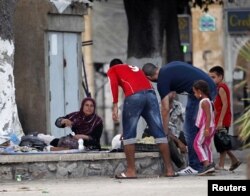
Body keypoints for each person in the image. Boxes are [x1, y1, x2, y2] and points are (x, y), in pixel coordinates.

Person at [142, 61, 217, 175]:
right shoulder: (169, 67)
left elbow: (165, 109)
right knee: (199, 129)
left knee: (189, 130)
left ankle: (194, 166)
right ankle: (207, 163)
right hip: (210, 87)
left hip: (199, 92)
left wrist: (165, 131)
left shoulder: (162, 81)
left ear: (149, 77)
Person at [107, 58, 176, 179]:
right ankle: (169, 169)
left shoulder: (113, 69)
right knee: (159, 133)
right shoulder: (134, 68)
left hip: (135, 96)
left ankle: (131, 171)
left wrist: (114, 105)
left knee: (129, 136)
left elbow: (113, 85)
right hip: (150, 94)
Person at [209, 66, 241, 171]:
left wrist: (221, 120)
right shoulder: (217, 88)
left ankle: (221, 165)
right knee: (222, 141)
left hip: (222, 119)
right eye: (210, 77)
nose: (211, 79)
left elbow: (225, 104)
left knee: (220, 141)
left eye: (213, 77)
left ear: (220, 77)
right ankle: (234, 160)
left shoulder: (222, 87)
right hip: (219, 119)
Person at [192, 80, 216, 175]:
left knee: (196, 144)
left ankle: (206, 164)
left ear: (199, 91)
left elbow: (208, 115)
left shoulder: (204, 101)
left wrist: (206, 128)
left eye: (194, 92)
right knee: (206, 145)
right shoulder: (209, 101)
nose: (194, 94)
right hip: (210, 126)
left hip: (206, 127)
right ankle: (210, 165)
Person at [168, 92, 187, 169]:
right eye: (170, 92)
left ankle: (197, 164)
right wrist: (179, 142)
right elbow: (164, 130)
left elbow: (185, 120)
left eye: (174, 92)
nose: (173, 94)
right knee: (168, 141)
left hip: (176, 133)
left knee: (191, 139)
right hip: (164, 135)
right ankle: (181, 165)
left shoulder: (178, 105)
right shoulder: (159, 106)